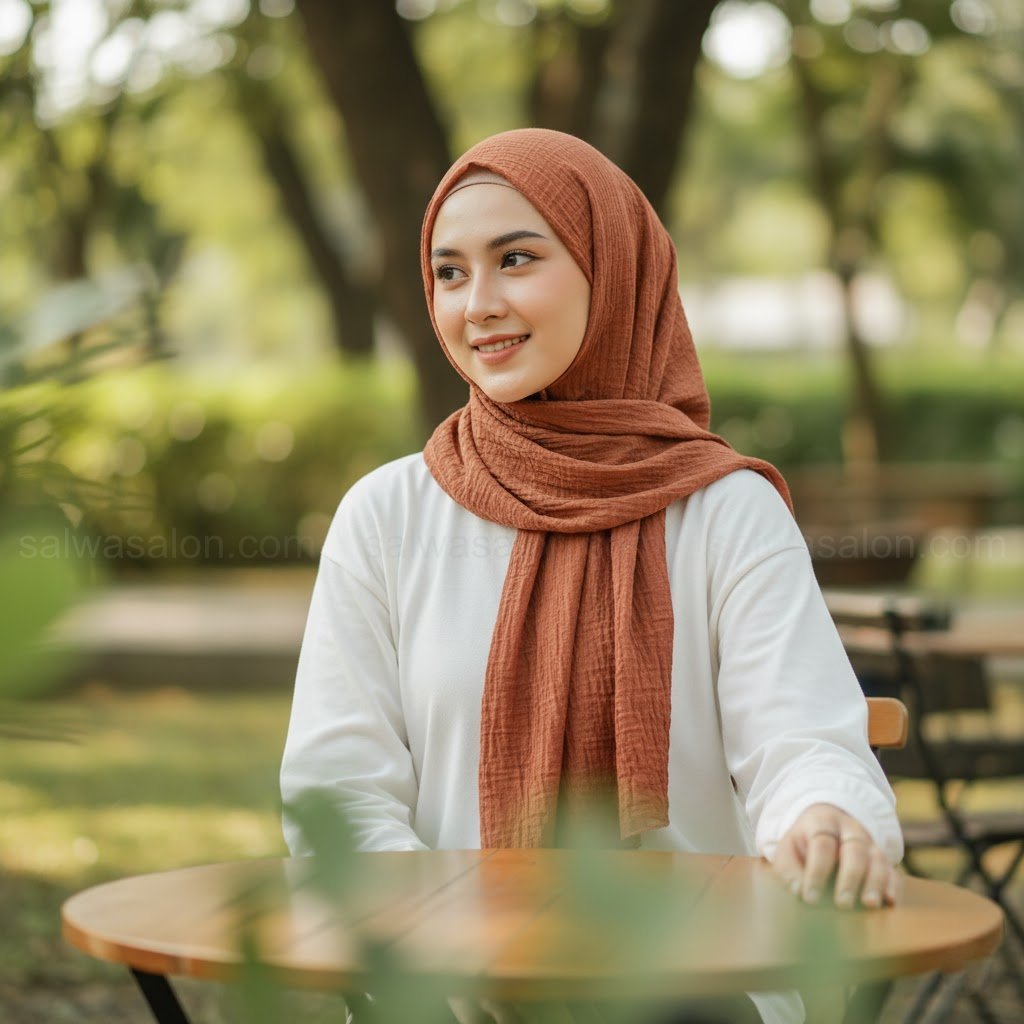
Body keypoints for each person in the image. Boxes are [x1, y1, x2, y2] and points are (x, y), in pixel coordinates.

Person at [280, 129, 903, 1024]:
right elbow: (337, 787)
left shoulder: (724, 511)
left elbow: (800, 743)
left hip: (692, 984)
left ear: (613, 272)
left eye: (517, 259)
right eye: (450, 273)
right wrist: (444, 956)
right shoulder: (388, 517)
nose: (478, 303)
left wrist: (824, 817)